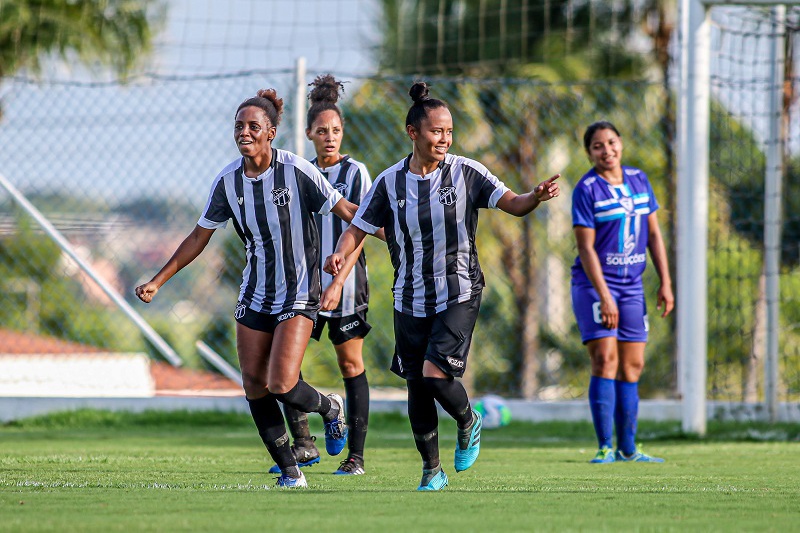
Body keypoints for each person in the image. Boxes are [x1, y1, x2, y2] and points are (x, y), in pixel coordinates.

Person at [324, 81, 561, 491]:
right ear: (413, 132)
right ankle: (431, 471)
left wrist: (535, 196)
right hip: (409, 297)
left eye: (449, 132)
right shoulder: (389, 183)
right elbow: (358, 228)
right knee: (417, 385)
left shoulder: (467, 172)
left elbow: (514, 205)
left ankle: (469, 418)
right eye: (437, 131)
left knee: (435, 376)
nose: (445, 139)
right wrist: (340, 257)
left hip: (459, 290)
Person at [135, 89, 361, 488]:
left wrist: (393, 232)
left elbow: (350, 213)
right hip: (255, 292)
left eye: (253, 126)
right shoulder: (227, 181)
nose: (244, 132)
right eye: (239, 126)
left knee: (281, 383)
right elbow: (198, 237)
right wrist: (158, 279)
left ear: (271, 132)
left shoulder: (296, 171)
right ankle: (291, 473)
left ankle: (329, 407)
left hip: (299, 292)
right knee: (254, 383)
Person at [267, 74, 374, 477]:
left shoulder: (357, 172)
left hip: (344, 288)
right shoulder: (301, 174)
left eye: (336, 131)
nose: (330, 137)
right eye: (322, 131)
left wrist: (338, 281)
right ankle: (305, 444)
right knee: (286, 368)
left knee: (350, 364)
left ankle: (355, 458)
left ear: (342, 132)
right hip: (304, 288)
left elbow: (360, 229)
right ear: (309, 133)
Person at [570, 121, 674, 464]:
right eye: (598, 146)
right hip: (595, 284)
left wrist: (665, 282)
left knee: (633, 366)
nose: (607, 150)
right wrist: (605, 295)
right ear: (589, 152)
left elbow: (654, 236)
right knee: (605, 360)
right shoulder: (586, 189)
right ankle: (604, 446)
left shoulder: (639, 180)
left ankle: (628, 449)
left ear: (622, 143)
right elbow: (586, 249)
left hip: (632, 286)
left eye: (612, 142)